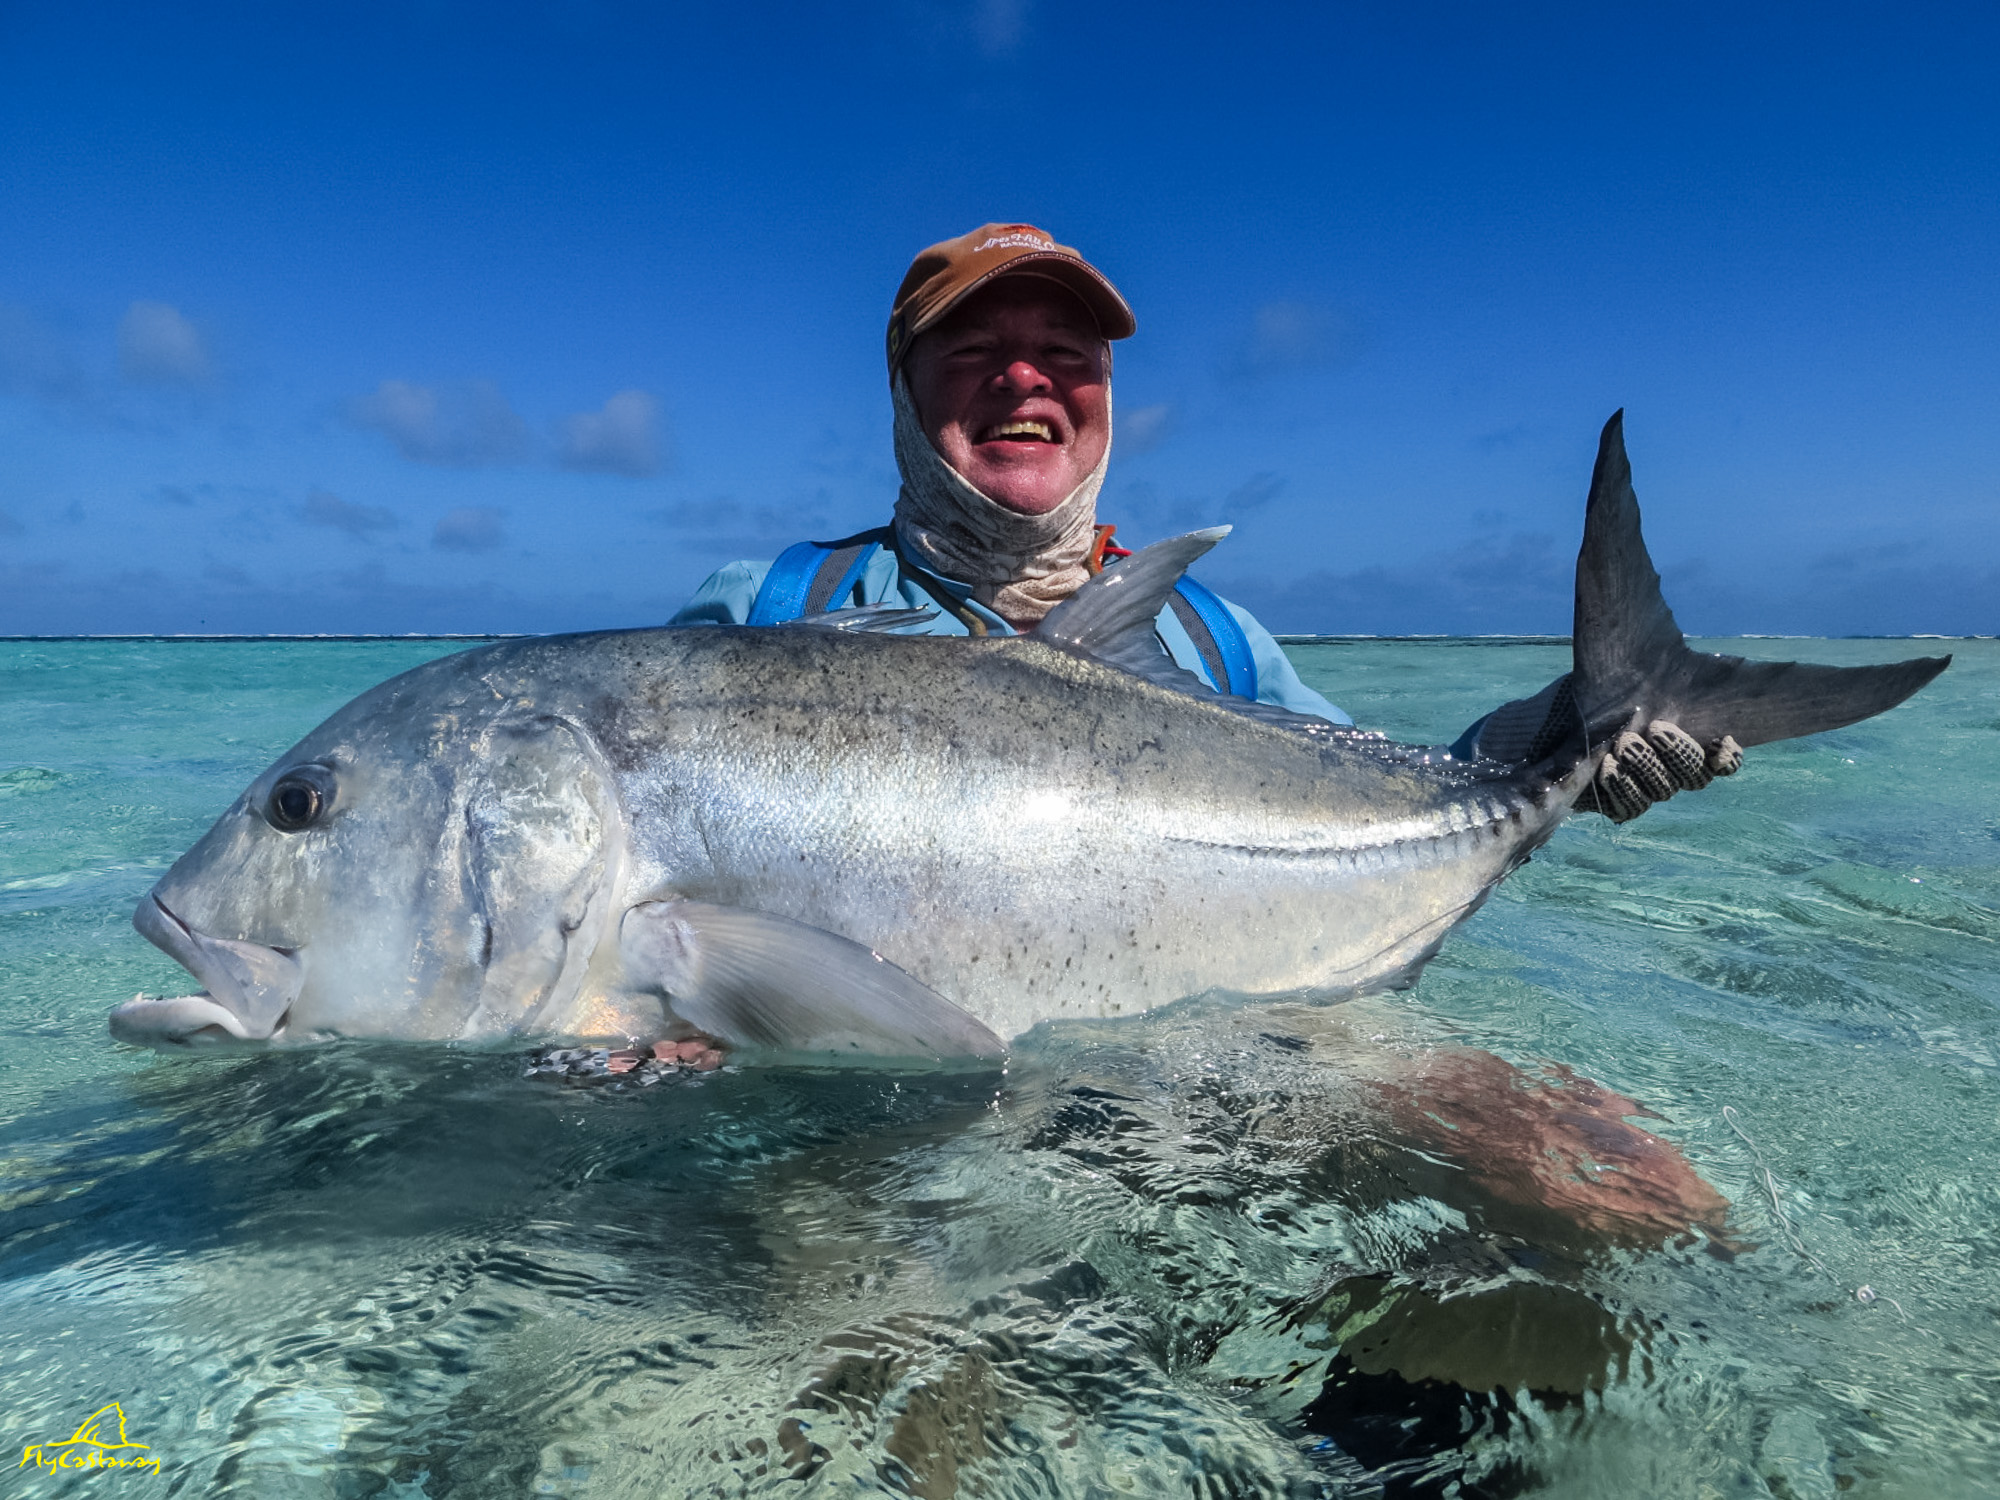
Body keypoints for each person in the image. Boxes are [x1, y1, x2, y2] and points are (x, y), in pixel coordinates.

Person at [673, 222, 1733, 819]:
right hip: (876, 1123)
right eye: (970, 350)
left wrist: (1560, 737)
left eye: (1066, 354)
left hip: (1180, 1084)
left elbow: (1390, 790)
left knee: (1615, 1183)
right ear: (901, 396)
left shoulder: (1211, 643)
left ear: (1104, 395)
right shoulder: (763, 609)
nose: (1024, 378)